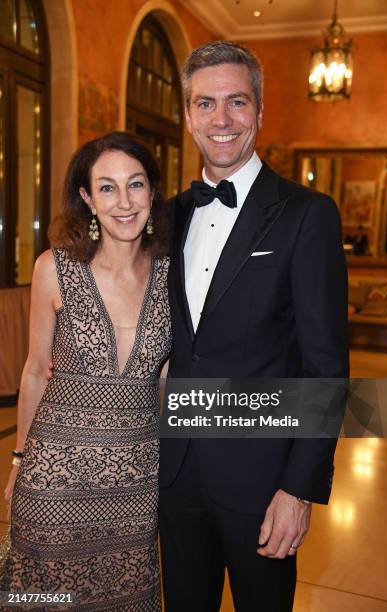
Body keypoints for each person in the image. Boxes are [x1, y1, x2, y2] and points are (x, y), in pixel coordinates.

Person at [159, 41, 349, 612]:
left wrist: (299, 489)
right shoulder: (168, 216)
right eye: (205, 104)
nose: (221, 120)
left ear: (260, 113)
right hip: (175, 474)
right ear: (188, 115)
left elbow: (325, 368)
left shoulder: (306, 215)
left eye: (237, 102)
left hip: (264, 483)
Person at [3, 132, 171, 611]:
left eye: (135, 185)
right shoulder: (53, 269)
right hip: (55, 482)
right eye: (107, 187)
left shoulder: (171, 274)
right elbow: (35, 371)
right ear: (86, 198)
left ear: (152, 193)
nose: (123, 202)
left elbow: (167, 381)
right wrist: (17, 463)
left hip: (137, 486)